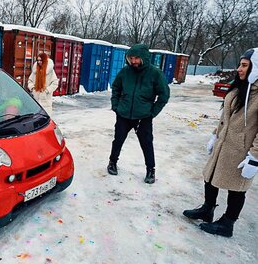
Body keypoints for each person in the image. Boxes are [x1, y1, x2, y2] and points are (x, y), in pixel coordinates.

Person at [183, 48, 258, 238]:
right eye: (240, 65)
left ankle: (227, 224)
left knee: (237, 188)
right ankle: (207, 209)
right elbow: (225, 117)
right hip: (223, 144)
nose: (239, 69)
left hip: (242, 151)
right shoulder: (238, 87)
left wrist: (254, 158)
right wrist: (214, 135)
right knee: (210, 176)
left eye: (244, 65)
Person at [107, 43, 170, 184]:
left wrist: (152, 113)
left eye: (137, 58)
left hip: (143, 116)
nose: (134, 61)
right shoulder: (125, 72)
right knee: (118, 140)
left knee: (147, 143)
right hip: (123, 114)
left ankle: (151, 170)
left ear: (144, 58)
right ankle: (112, 162)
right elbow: (116, 88)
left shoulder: (155, 73)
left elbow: (164, 95)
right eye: (131, 58)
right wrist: (115, 105)